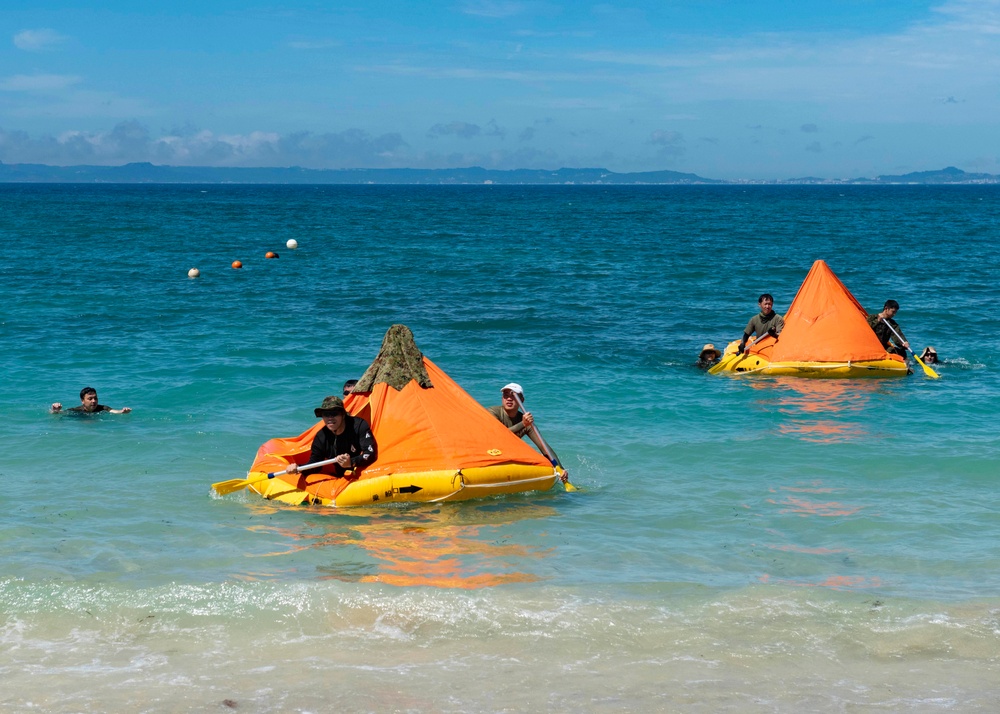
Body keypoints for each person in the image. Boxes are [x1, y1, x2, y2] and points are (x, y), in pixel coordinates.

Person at [488, 383, 569, 483]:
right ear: (502, 398)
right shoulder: (493, 412)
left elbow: (544, 447)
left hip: (506, 455)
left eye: (513, 395)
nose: (509, 399)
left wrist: (560, 468)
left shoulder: (526, 421)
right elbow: (499, 435)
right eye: (506, 395)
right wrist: (523, 424)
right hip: (489, 452)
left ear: (521, 400)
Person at [286, 396, 377, 478]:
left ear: (343, 414)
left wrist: (351, 462)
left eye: (334, 413)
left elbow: (370, 453)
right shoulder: (321, 437)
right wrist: (298, 468)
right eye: (326, 414)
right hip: (341, 478)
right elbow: (315, 465)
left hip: (363, 473)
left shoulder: (359, 426)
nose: (330, 418)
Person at [51, 387, 131, 414]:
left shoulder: (102, 408)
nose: (94, 401)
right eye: (90, 399)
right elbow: (61, 413)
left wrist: (122, 411)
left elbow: (114, 411)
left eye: (95, 398)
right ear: (82, 401)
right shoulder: (77, 410)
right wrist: (55, 410)